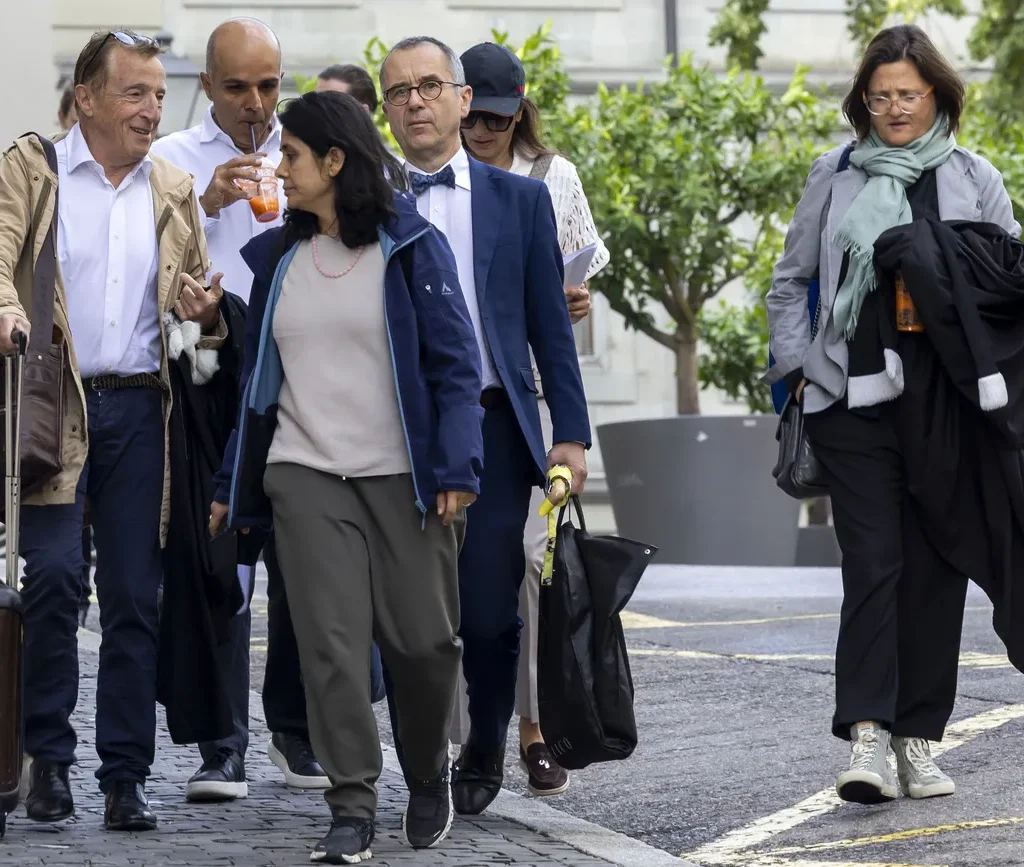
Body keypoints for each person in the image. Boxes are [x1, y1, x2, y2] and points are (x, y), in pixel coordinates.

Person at [209, 89, 483, 864]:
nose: (280, 169)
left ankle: (428, 769)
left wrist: (457, 464)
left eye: (292, 155)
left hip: (405, 478)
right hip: (305, 475)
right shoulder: (281, 261)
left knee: (425, 644)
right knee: (329, 646)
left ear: (334, 161)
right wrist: (236, 482)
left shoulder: (411, 248)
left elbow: (455, 368)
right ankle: (352, 803)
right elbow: (259, 388)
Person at [766, 23, 1020, 806]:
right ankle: (868, 736)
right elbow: (789, 282)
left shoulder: (974, 175)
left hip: (946, 405)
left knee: (938, 568)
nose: (894, 109)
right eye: (880, 98)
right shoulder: (834, 174)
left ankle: (918, 738)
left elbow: (1009, 286)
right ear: (863, 103)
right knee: (872, 562)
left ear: (937, 94)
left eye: (907, 95)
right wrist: (802, 371)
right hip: (852, 400)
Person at [0, 28, 226, 830]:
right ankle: (48, 761)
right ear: (86, 98)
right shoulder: (35, 169)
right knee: (56, 580)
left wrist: (202, 314)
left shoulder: (171, 185)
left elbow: (193, 311)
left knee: (136, 597)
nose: (152, 108)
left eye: (160, 94)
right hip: (55, 405)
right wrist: (6, 305)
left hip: (139, 407)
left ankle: (125, 775)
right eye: (135, 93)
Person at [380, 35, 591, 817]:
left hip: (500, 432)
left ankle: (490, 738)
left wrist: (569, 432)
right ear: (388, 110)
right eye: (400, 91)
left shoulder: (524, 201)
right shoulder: (371, 201)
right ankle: (424, 756)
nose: (416, 102)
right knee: (411, 617)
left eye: (430, 86)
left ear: (462, 99)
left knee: (491, 612)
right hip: (403, 435)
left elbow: (549, 326)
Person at [151, 14, 329, 804]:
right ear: (206, 88)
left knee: (306, 546)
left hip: (299, 356)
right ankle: (221, 743)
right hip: (208, 358)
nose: (256, 102)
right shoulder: (171, 163)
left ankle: (295, 725)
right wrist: (203, 206)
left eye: (268, 84)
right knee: (214, 548)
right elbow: (145, 276)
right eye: (237, 87)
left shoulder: (312, 153)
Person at [457, 40, 609, 797]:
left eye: (497, 116)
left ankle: (532, 730)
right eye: (473, 115)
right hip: (461, 401)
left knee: (525, 564)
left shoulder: (552, 179)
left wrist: (574, 302)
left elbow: (571, 297)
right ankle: (468, 733)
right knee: (460, 576)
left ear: (520, 109)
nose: (483, 130)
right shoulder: (435, 178)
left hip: (532, 401)